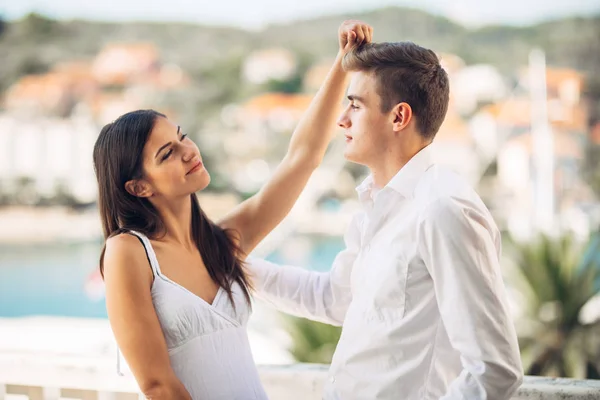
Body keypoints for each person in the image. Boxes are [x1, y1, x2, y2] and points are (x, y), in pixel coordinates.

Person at [92, 20, 373, 400]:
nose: (188, 151)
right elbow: (157, 386)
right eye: (167, 154)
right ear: (139, 187)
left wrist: (343, 64)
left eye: (182, 137)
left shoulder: (222, 243)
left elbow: (302, 158)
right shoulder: (129, 252)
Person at [249, 41, 524, 399]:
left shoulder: (444, 209)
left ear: (399, 117)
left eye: (356, 105)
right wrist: (231, 265)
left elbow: (495, 370)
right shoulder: (377, 205)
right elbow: (335, 298)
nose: (342, 119)